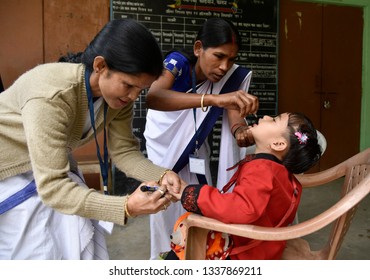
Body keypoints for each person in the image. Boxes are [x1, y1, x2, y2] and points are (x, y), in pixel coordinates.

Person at [0, 18, 180, 260]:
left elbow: (124, 152)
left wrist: (161, 174)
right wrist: (124, 207)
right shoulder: (51, 94)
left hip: (42, 171)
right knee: (39, 253)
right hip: (9, 174)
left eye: (141, 89)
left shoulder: (118, 99)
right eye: (128, 85)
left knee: (73, 247)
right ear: (100, 66)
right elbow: (53, 188)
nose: (133, 96)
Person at [144, 18, 259, 259]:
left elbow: (233, 111)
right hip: (163, 148)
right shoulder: (177, 63)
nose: (224, 66)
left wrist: (240, 131)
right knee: (163, 206)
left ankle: (194, 253)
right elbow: (154, 96)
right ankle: (166, 256)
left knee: (197, 200)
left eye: (231, 59)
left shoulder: (229, 78)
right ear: (198, 48)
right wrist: (213, 100)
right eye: (218, 56)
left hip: (196, 148)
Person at [165, 112, 322, 260]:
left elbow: (243, 209)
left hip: (244, 253)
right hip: (267, 248)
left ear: (278, 144)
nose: (266, 116)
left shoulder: (261, 169)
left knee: (181, 248)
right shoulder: (281, 173)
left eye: (274, 120)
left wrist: (192, 193)